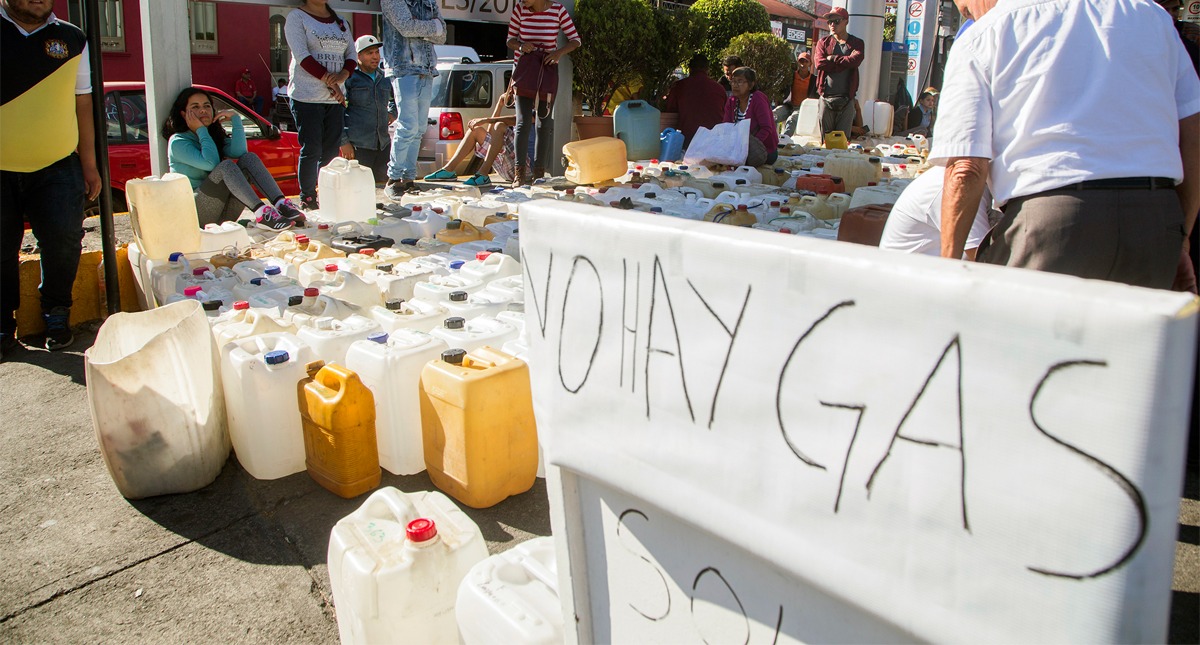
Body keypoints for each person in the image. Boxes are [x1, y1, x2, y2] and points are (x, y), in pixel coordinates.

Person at [933, 0, 1199, 291]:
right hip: (1154, 219)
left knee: (1017, 319)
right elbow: (1193, 136)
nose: (971, 17)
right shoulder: (1152, 15)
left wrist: (947, 269)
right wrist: (1181, 238)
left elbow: (966, 168)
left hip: (1052, 220)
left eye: (967, 10)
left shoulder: (987, 32)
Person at [0, 0, 100, 353]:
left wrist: (89, 164)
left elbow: (83, 102)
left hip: (57, 165)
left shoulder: (73, 39)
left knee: (63, 242)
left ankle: (57, 312)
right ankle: (2, 324)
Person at [164, 87, 303, 231]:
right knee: (226, 166)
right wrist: (201, 130)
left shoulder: (212, 135)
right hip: (195, 214)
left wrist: (236, 120)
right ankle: (262, 214)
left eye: (207, 106)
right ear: (183, 114)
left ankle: (281, 204)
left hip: (222, 214)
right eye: (195, 107)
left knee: (249, 158)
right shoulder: (178, 142)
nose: (203, 110)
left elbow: (240, 152)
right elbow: (211, 163)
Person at [285, 0, 356, 211]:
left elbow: (351, 55)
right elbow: (302, 56)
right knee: (312, 149)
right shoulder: (296, 18)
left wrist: (342, 76)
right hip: (307, 97)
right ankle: (307, 197)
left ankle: (327, 194)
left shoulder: (341, 22)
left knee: (331, 151)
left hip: (334, 99)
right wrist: (330, 81)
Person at [506, 0, 580, 186]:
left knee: (544, 123)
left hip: (547, 71)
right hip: (524, 73)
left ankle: (539, 173)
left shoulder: (557, 10)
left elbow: (575, 40)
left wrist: (558, 53)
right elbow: (510, 40)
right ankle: (519, 174)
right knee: (522, 122)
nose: (522, 0)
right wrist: (521, 46)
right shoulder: (520, 9)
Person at [380, 0, 446, 200]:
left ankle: (408, 178)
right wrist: (432, 27)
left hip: (426, 68)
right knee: (408, 126)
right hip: (403, 67)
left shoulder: (428, 1)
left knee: (418, 129)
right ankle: (394, 178)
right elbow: (406, 27)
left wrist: (419, 26)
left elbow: (443, 34)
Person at [879, 167, 992, 258]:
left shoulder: (964, 177)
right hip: (912, 275)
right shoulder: (960, 185)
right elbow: (981, 257)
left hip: (932, 271)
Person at [423, 87, 518, 187]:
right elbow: (491, 132)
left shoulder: (527, 99)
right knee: (475, 130)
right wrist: (499, 104)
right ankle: (448, 169)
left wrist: (486, 120)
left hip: (520, 169)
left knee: (499, 125)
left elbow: (518, 119)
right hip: (506, 168)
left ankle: (483, 174)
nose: (511, 91)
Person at [340, 35, 396, 184]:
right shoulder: (349, 78)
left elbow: (397, 98)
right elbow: (338, 111)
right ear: (358, 56)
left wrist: (392, 113)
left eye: (377, 52)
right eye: (369, 53)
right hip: (358, 146)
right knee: (359, 188)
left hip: (382, 144)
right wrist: (343, 142)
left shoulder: (384, 77)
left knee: (381, 188)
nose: (375, 57)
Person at [813, 7, 865, 144]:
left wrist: (833, 58)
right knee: (826, 142)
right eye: (829, 22)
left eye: (836, 21)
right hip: (826, 98)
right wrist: (844, 63)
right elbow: (819, 63)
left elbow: (856, 61)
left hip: (847, 100)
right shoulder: (823, 42)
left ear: (846, 21)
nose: (832, 25)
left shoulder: (857, 43)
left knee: (843, 143)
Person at [664, 53, 726, 147]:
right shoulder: (719, 88)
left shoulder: (679, 87)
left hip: (687, 140)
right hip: (714, 139)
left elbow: (670, 111)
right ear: (707, 69)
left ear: (690, 69)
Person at [723, 67, 778, 167]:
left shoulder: (758, 98)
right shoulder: (731, 101)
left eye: (740, 81)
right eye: (733, 81)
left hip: (762, 150)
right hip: (738, 149)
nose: (735, 85)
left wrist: (748, 146)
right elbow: (726, 127)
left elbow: (766, 128)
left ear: (751, 85)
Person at [774, 52, 819, 126]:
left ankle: (786, 134)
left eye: (806, 61)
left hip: (802, 109)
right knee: (773, 115)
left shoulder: (814, 80)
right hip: (788, 106)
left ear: (810, 64)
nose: (803, 64)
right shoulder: (791, 76)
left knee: (792, 120)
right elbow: (780, 90)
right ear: (797, 62)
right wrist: (778, 102)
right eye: (801, 61)